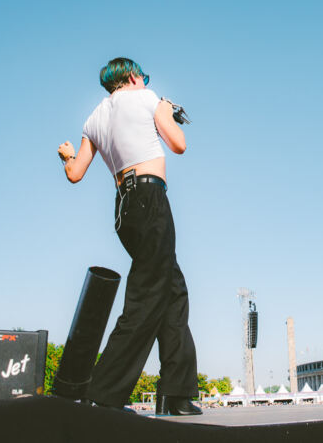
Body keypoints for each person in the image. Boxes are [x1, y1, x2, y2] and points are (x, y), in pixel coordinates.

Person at [57, 57, 201, 416]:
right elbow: (179, 144)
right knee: (147, 295)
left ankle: (176, 394)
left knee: (171, 290)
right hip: (150, 199)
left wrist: (66, 156)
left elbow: (75, 173)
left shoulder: (94, 117)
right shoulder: (148, 98)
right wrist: (165, 112)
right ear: (134, 76)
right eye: (144, 76)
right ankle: (103, 393)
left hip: (124, 208)